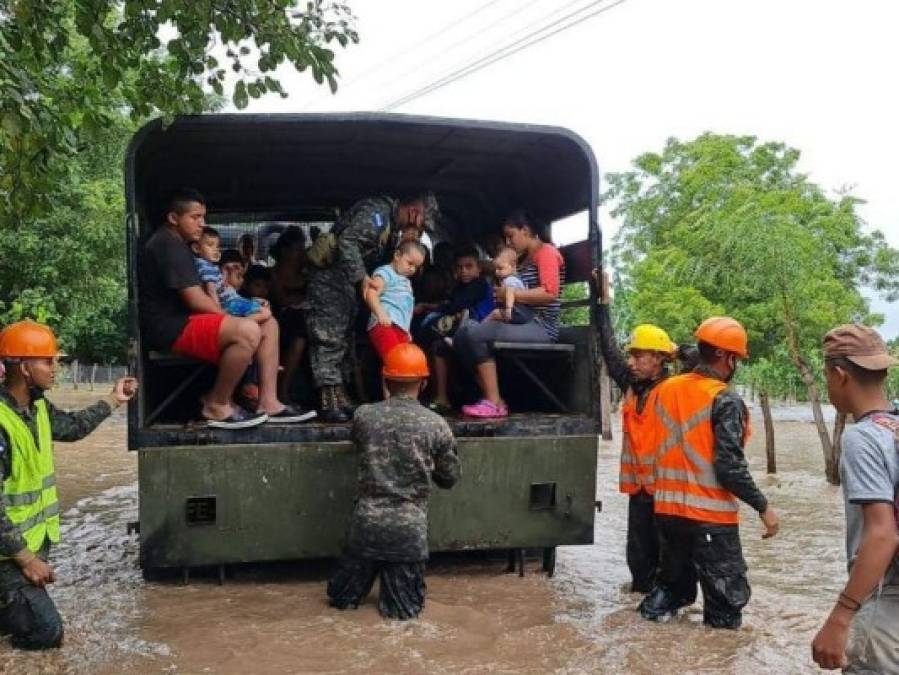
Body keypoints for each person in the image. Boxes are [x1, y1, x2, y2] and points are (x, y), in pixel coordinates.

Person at [0, 320, 138, 650]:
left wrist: (113, 400)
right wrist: (26, 560)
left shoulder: (37, 408)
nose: (55, 368)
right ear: (24, 367)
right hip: (9, 556)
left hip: (22, 550)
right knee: (48, 632)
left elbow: (74, 427)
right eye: (48, 361)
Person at [638, 316, 780, 629]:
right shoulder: (724, 398)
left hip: (667, 513)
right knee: (725, 613)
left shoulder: (665, 390)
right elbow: (729, 466)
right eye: (736, 359)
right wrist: (763, 506)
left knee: (669, 592)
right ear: (726, 357)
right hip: (710, 520)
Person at [139, 188, 314, 429]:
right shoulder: (167, 244)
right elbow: (196, 300)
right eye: (195, 217)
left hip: (190, 320)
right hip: (171, 327)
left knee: (269, 323)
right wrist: (235, 319)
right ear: (173, 218)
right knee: (248, 330)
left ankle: (269, 401)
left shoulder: (181, 244)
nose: (202, 224)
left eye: (203, 217)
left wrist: (246, 309)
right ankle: (216, 403)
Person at [327, 343, 459, 620]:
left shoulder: (364, 415)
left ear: (385, 379)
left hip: (365, 528)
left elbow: (359, 443)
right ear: (424, 382)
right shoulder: (436, 425)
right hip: (408, 534)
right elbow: (450, 478)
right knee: (403, 619)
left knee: (341, 607)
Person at [305, 193, 438, 423]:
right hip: (330, 282)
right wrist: (361, 278)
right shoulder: (378, 213)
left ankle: (340, 397)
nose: (419, 230)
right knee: (329, 337)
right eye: (422, 225)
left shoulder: (390, 226)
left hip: (345, 285)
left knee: (344, 339)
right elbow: (348, 242)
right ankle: (328, 400)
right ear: (415, 214)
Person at [811, 324, 899, 671]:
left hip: (885, 601)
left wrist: (840, 616)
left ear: (839, 375)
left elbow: (883, 534)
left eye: (826, 376)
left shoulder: (863, 437)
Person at [596, 271, 676, 593]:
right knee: (639, 557)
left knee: (668, 560)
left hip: (668, 491)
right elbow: (609, 348)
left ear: (659, 359)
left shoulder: (675, 390)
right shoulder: (632, 385)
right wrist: (602, 303)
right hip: (641, 489)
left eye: (639, 356)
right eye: (632, 355)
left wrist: (678, 350)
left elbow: (704, 362)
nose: (631, 361)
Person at [454, 210, 565, 419]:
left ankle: (493, 403)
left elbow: (549, 293)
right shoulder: (523, 260)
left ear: (525, 231)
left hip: (542, 328)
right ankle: (492, 396)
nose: (508, 241)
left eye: (511, 235)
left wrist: (511, 293)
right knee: (463, 334)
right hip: (522, 321)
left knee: (476, 335)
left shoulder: (546, 253)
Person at [416, 246, 494, 415]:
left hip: (479, 329)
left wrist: (445, 310)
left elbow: (456, 305)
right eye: (460, 267)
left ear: (479, 268)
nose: (464, 271)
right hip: (461, 329)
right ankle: (442, 398)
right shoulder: (459, 287)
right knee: (438, 345)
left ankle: (490, 398)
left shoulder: (479, 285)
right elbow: (450, 304)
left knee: (433, 331)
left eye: (469, 266)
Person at [364, 241, 427, 363]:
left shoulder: (406, 281)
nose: (412, 269)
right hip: (385, 325)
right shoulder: (385, 272)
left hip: (401, 330)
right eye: (410, 263)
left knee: (403, 366)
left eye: (416, 267)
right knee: (396, 362)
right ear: (397, 255)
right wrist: (380, 313)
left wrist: (407, 331)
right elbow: (371, 294)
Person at [268, 227, 310, 405]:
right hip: (281, 324)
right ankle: (282, 391)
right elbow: (282, 300)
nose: (302, 254)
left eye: (303, 250)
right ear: (285, 251)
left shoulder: (308, 275)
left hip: (308, 322)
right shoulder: (273, 274)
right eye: (297, 250)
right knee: (299, 337)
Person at [192, 227, 264, 318]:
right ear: (196, 248)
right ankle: (238, 323)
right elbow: (211, 290)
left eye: (217, 246)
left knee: (262, 306)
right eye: (210, 245)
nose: (215, 250)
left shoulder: (211, 267)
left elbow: (223, 285)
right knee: (264, 312)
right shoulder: (206, 267)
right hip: (228, 303)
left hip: (231, 300)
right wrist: (218, 311)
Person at [483, 247, 533, 324]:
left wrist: (508, 309)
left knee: (494, 313)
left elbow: (510, 292)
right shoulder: (518, 279)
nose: (496, 272)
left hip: (518, 312)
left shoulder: (510, 280)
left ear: (513, 266)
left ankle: (480, 327)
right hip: (523, 313)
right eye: (495, 269)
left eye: (500, 268)